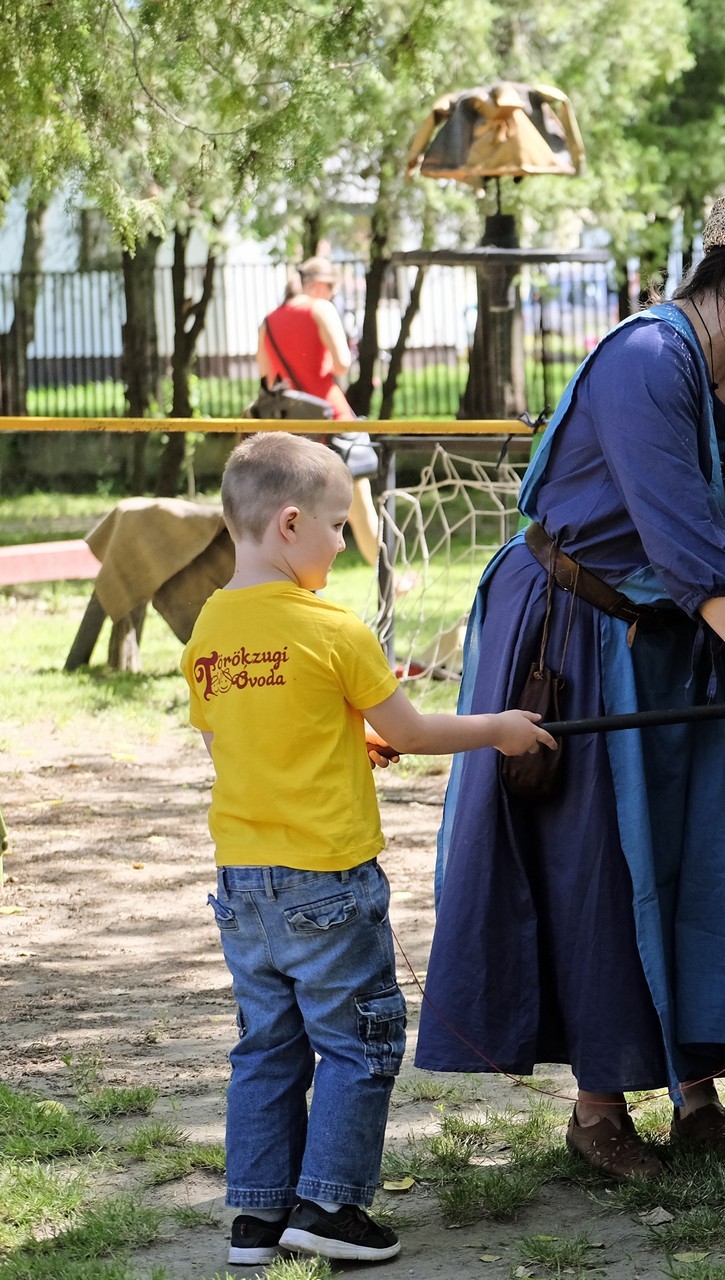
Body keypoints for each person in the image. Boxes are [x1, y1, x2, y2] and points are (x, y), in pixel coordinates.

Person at [414, 171, 725, 1178]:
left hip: (676, 638)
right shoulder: (647, 358)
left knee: (695, 852)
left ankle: (698, 1099)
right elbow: (679, 536)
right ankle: (598, 1110)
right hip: (573, 632)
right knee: (599, 866)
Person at [183, 433, 553, 1266]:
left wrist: (344, 739)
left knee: (267, 1046)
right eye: (337, 525)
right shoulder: (332, 628)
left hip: (242, 885)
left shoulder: (209, 628)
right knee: (358, 1042)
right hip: (328, 881)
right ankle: (329, 1207)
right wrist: (500, 729)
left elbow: (235, 741)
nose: (345, 543)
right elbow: (412, 731)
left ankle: (257, 1218)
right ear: (289, 524)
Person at [257, 257, 381, 567]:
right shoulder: (320, 309)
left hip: (295, 428)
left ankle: (303, 583)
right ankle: (388, 581)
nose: (332, 294)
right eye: (331, 287)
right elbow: (342, 363)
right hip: (332, 419)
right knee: (360, 509)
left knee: (299, 516)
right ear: (317, 285)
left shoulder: (268, 322)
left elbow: (267, 378)